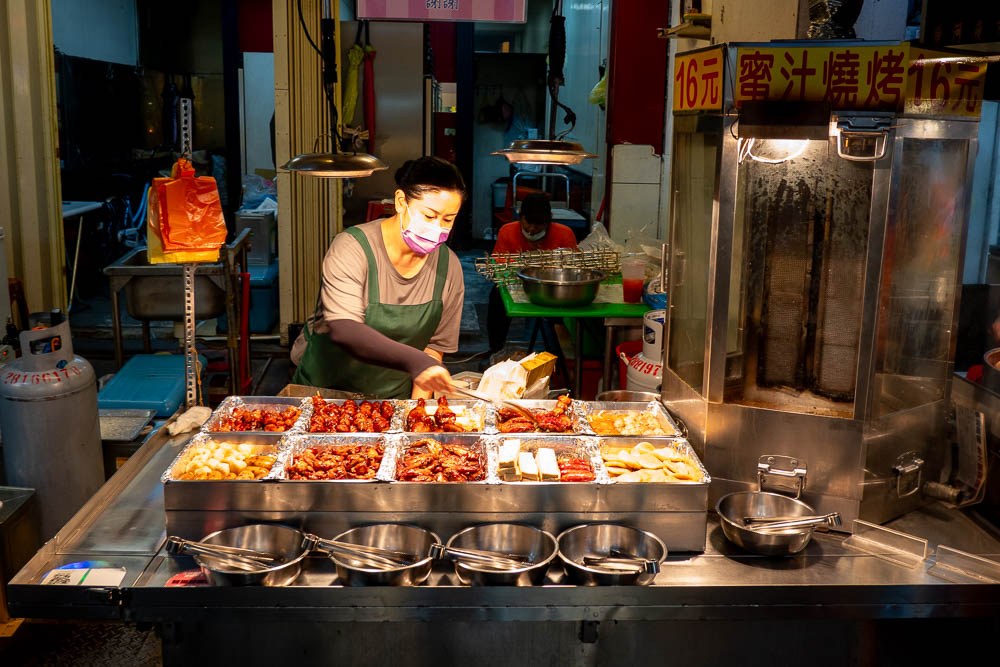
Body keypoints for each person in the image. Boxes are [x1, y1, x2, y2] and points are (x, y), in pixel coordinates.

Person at [291, 157, 466, 398]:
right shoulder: (352, 248)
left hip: (392, 402)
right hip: (323, 397)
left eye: (448, 219)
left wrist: (414, 416)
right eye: (428, 216)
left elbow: (433, 348)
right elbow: (345, 330)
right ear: (401, 202)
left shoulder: (449, 267)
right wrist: (418, 362)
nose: (438, 227)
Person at [487, 192, 578, 352]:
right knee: (496, 297)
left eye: (539, 224)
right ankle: (495, 349)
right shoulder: (507, 232)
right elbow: (498, 268)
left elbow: (573, 268)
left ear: (549, 219)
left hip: (551, 289)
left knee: (561, 312)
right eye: (528, 222)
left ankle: (560, 353)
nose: (532, 228)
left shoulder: (564, 234)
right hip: (516, 284)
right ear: (520, 217)